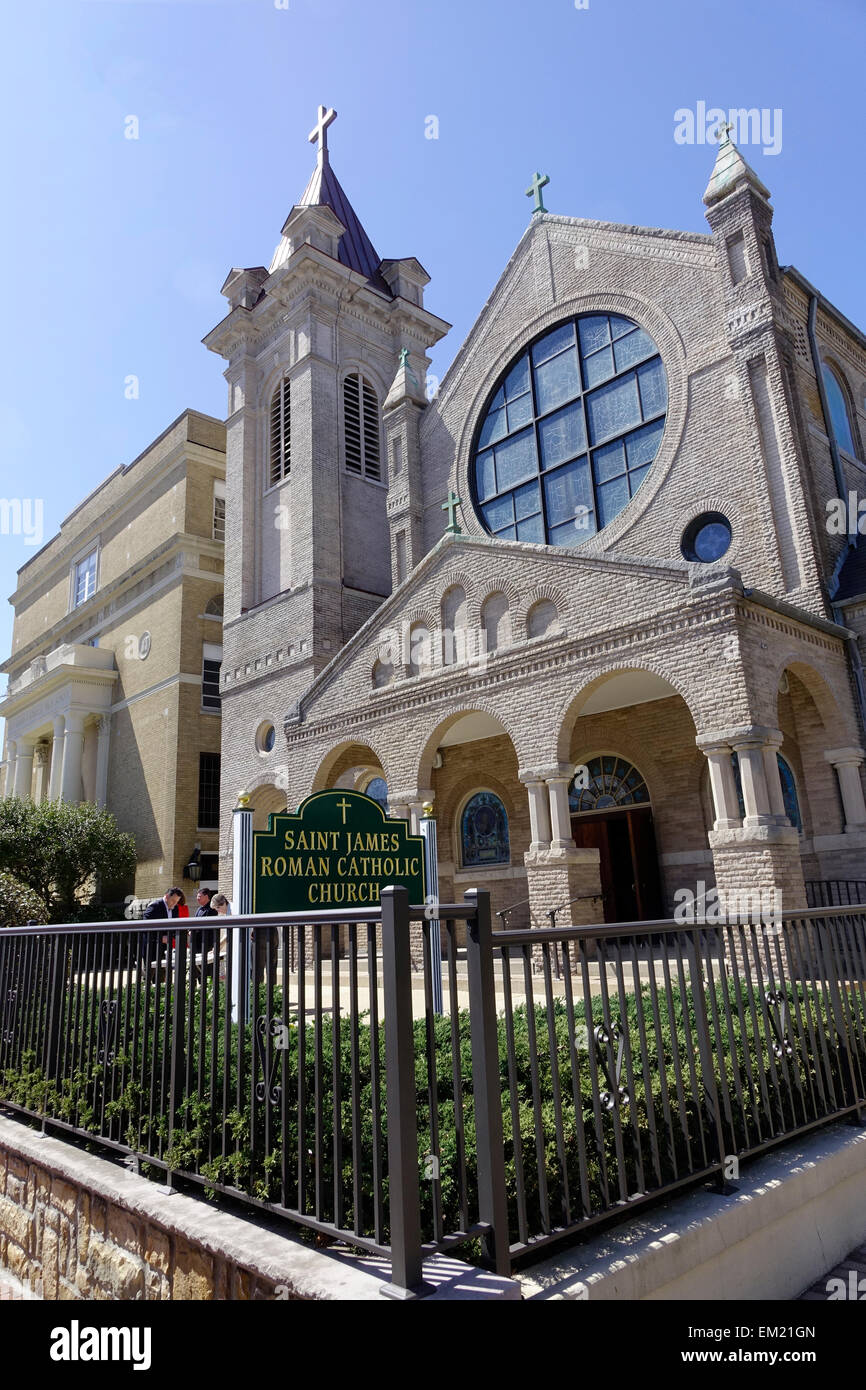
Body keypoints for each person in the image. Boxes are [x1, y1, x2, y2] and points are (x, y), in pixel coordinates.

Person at [139, 887, 182, 966]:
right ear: (166, 896)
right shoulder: (154, 906)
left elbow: (175, 925)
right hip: (152, 948)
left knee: (163, 975)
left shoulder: (175, 908)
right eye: (173, 900)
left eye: (177, 902)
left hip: (166, 949)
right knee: (150, 975)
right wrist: (159, 937)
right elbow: (144, 926)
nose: (174, 903)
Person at [192, 886, 217, 954]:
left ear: (206, 897)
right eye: (197, 896)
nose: (197, 898)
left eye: (199, 896)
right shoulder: (199, 909)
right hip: (197, 944)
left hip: (206, 944)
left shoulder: (212, 909)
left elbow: (209, 927)